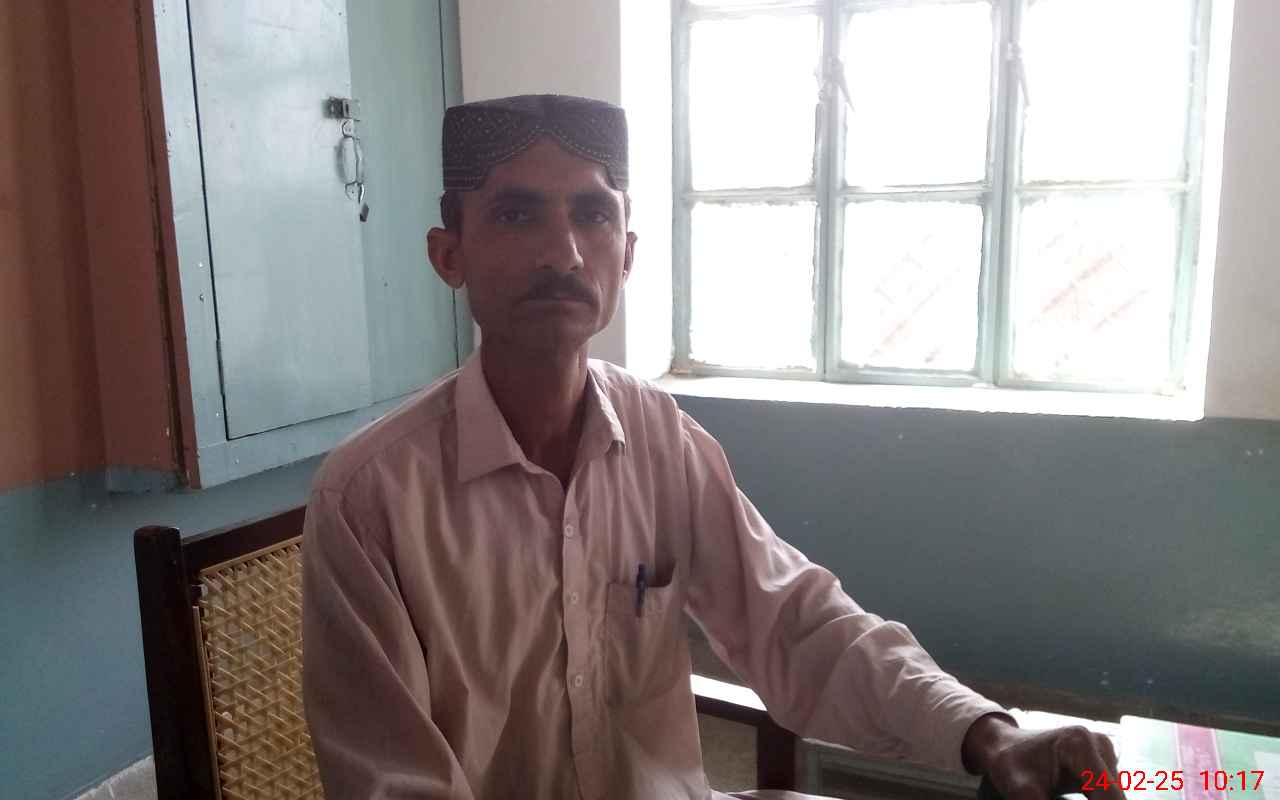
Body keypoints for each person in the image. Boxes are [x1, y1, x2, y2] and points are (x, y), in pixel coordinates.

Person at [301, 94, 1125, 800]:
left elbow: (797, 623)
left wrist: (985, 730)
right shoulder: (370, 500)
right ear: (449, 254)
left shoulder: (660, 439)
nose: (564, 253)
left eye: (594, 214)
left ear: (627, 253)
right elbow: (392, 782)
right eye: (516, 215)